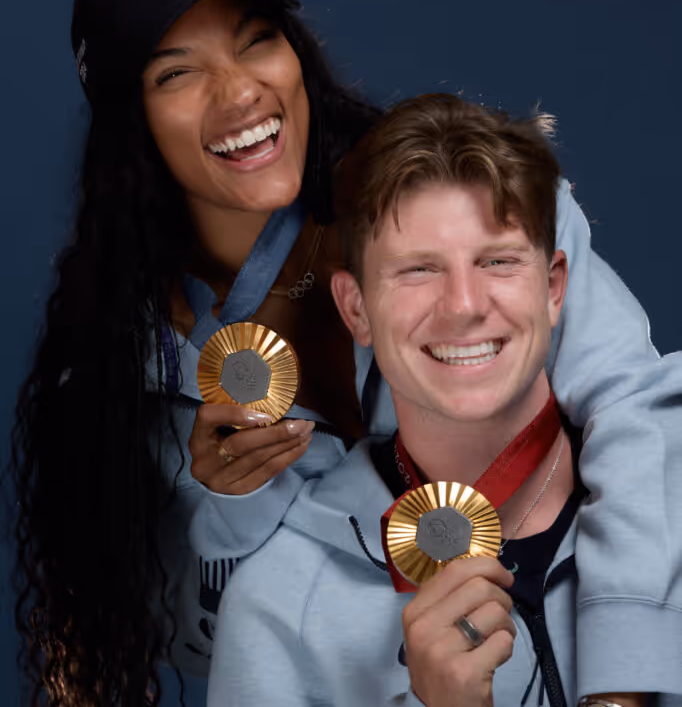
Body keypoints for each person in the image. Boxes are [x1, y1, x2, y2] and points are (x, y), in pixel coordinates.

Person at [10, 0, 682, 706]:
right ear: (132, 122)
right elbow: (212, 642)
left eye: (257, 41)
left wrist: (624, 674)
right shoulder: (119, 375)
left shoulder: (472, 197)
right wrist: (232, 507)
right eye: (177, 74)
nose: (239, 93)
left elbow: (635, 412)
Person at [207, 94, 679, 707]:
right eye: (417, 270)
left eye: (499, 261)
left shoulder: (665, 511)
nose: (463, 305)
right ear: (356, 310)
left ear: (556, 288)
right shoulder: (280, 607)